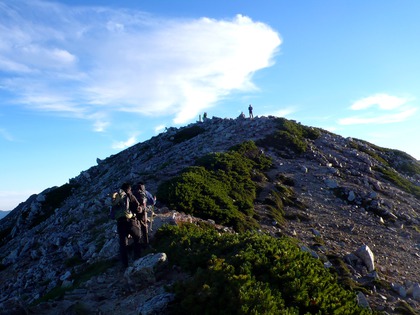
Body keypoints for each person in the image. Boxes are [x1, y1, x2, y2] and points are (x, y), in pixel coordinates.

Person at [114, 183, 142, 268]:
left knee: (123, 244)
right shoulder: (130, 195)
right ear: (129, 189)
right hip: (130, 221)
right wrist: (141, 210)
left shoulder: (117, 198)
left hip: (120, 223)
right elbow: (137, 209)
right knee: (137, 238)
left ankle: (125, 265)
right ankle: (137, 259)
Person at [133, 182, 151, 247]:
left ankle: (138, 243)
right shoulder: (145, 192)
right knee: (144, 226)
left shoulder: (133, 193)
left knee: (136, 226)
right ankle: (146, 243)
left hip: (134, 213)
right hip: (143, 211)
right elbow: (152, 202)